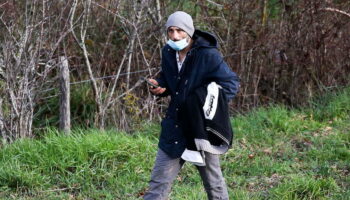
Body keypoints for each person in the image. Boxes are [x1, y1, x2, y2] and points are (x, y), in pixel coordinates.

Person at [143, 11, 240, 200]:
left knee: (214, 185)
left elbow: (230, 84)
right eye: (170, 31)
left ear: (189, 30)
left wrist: (204, 104)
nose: (175, 36)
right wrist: (161, 86)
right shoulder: (168, 52)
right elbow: (173, 80)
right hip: (174, 126)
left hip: (201, 129)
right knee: (157, 184)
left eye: (179, 30)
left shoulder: (207, 54)